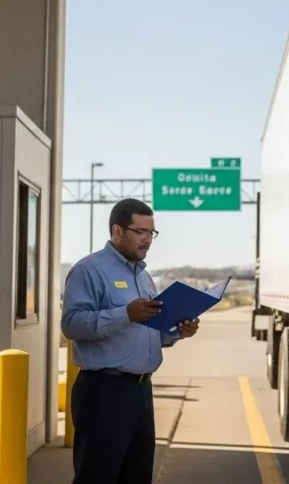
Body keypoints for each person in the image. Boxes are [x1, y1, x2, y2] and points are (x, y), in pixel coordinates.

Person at [61, 198, 200, 484]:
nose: (148, 240)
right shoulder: (89, 271)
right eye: (140, 232)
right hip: (103, 393)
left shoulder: (145, 277)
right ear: (117, 232)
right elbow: (71, 324)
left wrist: (177, 331)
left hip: (140, 392)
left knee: (136, 477)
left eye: (152, 233)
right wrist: (125, 314)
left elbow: (151, 331)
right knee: (97, 477)